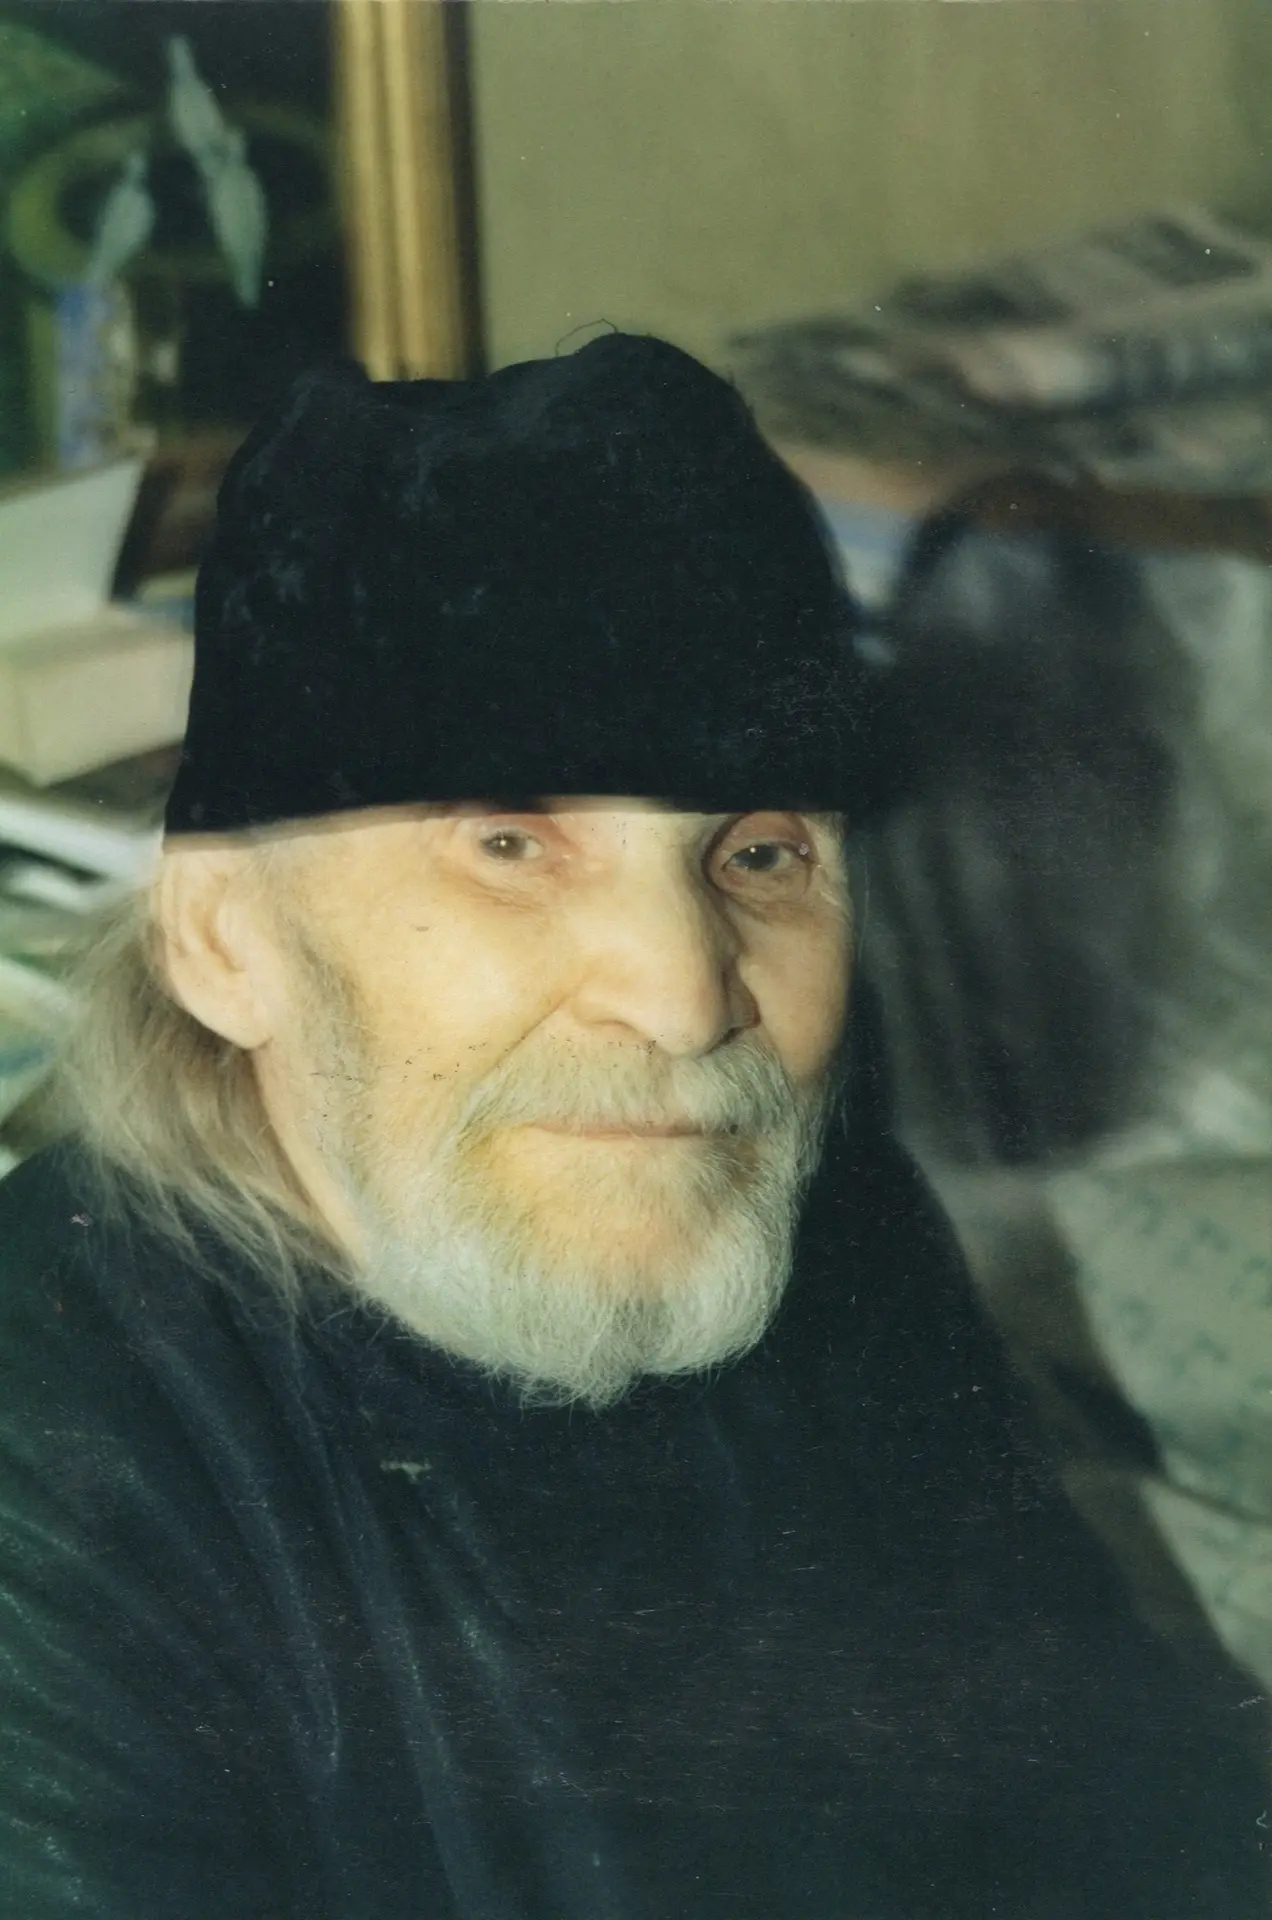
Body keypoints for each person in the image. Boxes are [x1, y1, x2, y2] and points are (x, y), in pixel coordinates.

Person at [0, 335, 1264, 1920]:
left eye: (759, 854)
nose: (683, 1000)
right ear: (224, 942)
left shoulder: (821, 1228)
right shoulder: (50, 1484)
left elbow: (1139, 1816)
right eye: (512, 843)